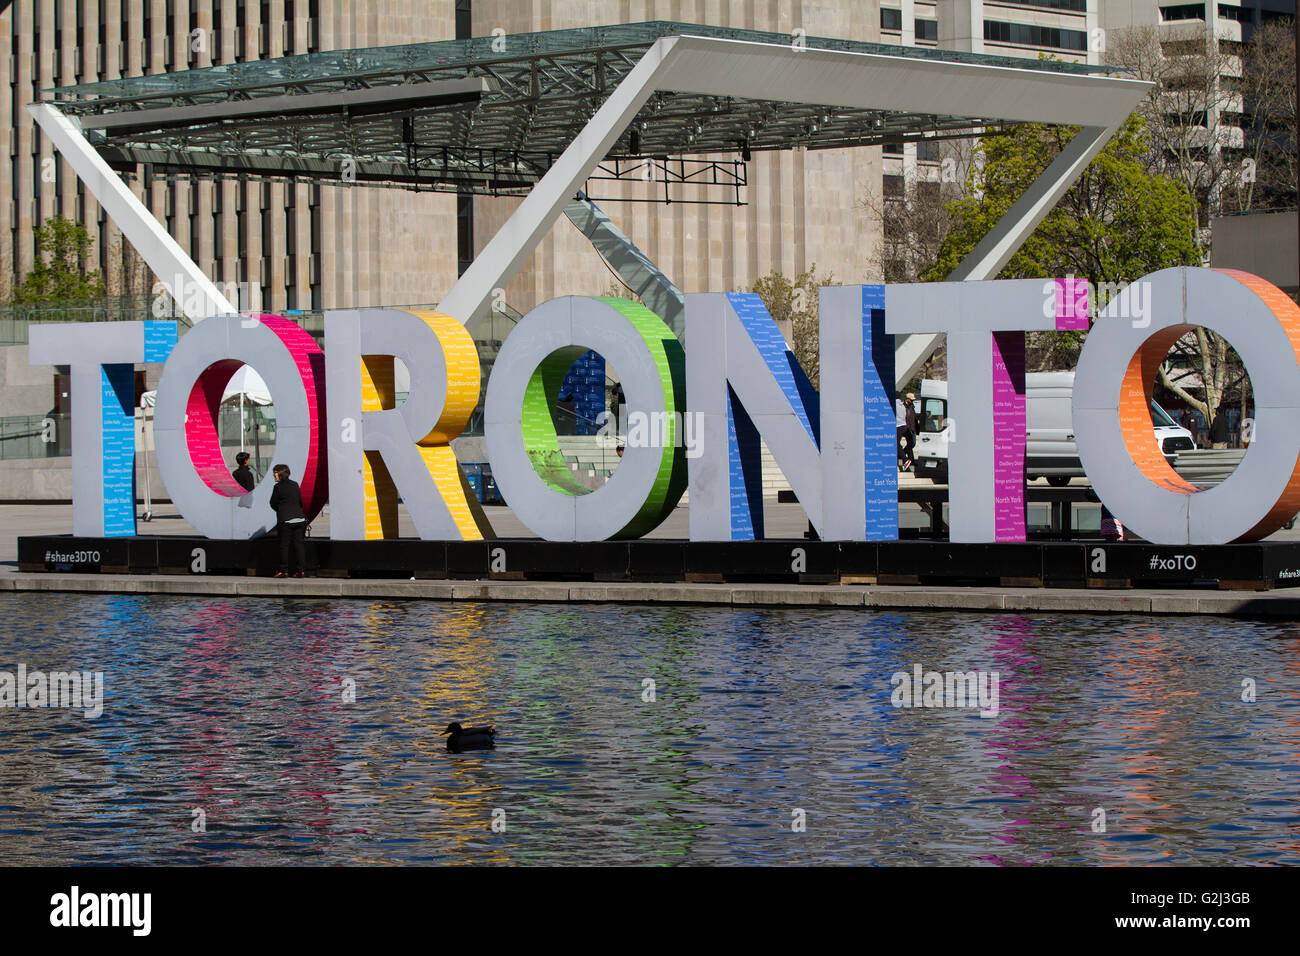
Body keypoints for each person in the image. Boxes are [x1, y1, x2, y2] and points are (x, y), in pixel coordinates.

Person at [269, 463, 307, 578]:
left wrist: (281, 511)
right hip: (300, 519)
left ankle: (283, 570)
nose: (274, 475)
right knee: (299, 545)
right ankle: (301, 570)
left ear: (280, 474)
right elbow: (300, 502)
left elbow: (273, 503)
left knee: (284, 545)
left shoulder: (278, 487)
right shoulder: (295, 485)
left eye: (275, 472)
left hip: (286, 520)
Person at [902, 393, 919, 472]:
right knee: (911, 443)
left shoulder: (912, 407)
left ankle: (903, 453)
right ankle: (911, 460)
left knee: (912, 443)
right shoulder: (903, 406)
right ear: (907, 399)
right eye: (911, 400)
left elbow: (913, 417)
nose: (912, 401)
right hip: (906, 428)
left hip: (913, 428)